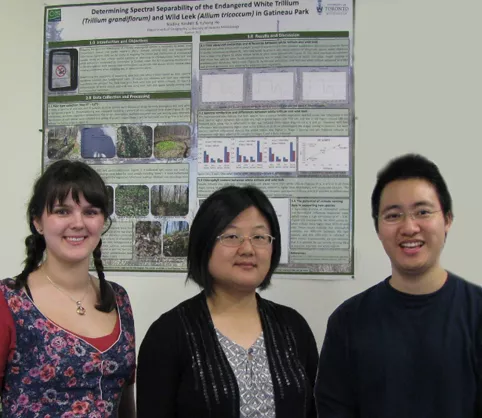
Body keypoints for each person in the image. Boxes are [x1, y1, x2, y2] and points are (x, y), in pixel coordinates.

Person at [315, 154, 482, 418]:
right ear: (378, 227)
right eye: (393, 215)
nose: (409, 227)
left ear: (447, 219)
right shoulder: (347, 321)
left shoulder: (476, 312)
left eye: (423, 212)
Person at [137, 186, 318, 418]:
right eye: (232, 236)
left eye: (260, 237)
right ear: (204, 244)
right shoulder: (168, 335)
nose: (247, 249)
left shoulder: (293, 327)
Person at [0, 160, 136, 418]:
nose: (78, 223)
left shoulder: (118, 298)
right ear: (38, 222)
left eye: (90, 211)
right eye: (62, 211)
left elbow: (125, 402)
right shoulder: (8, 300)